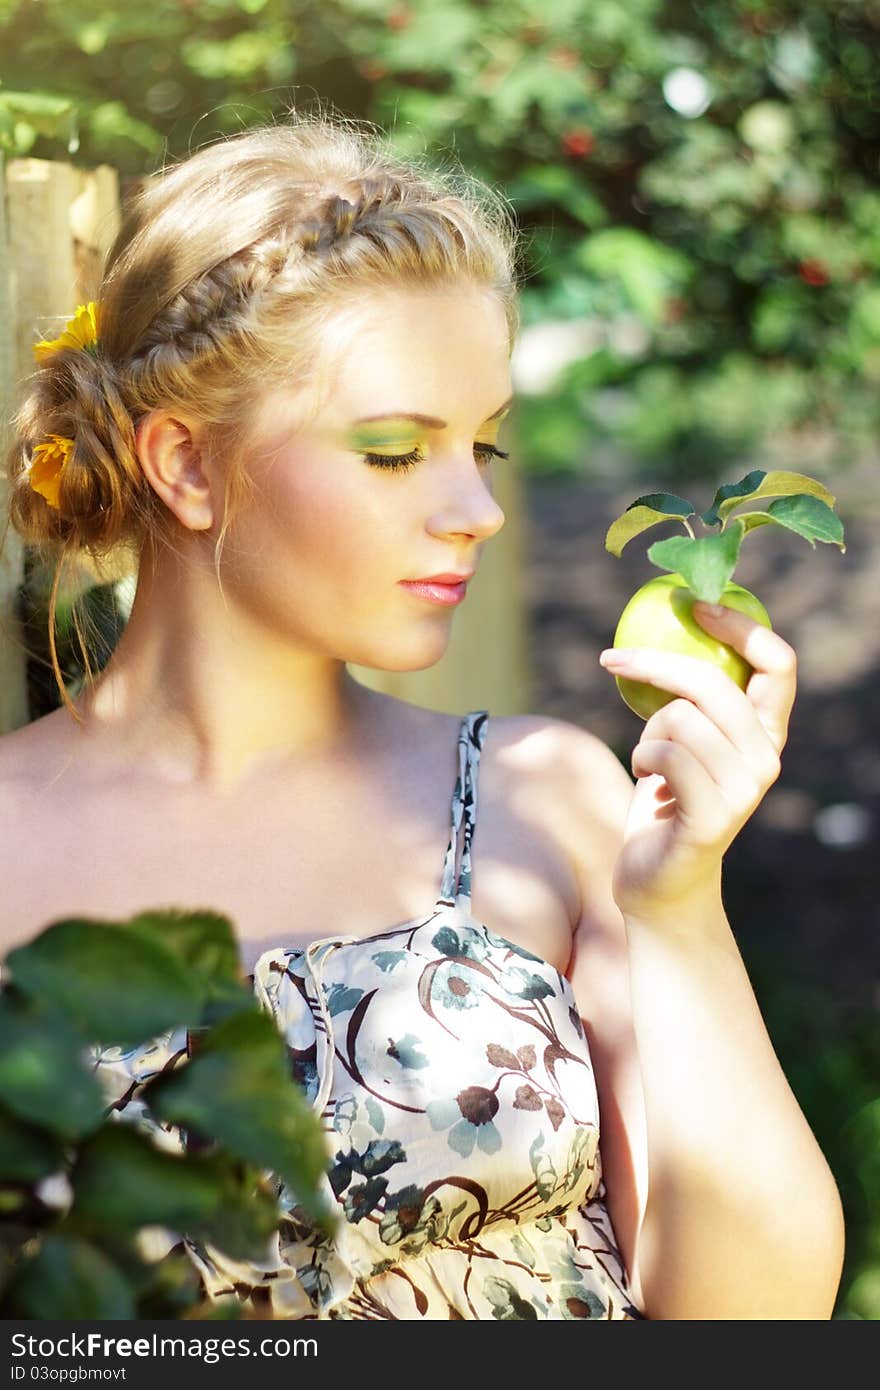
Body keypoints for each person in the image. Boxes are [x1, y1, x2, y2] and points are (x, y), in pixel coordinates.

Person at [0, 109, 845, 1321]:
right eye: (397, 451)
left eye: (484, 449)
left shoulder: (542, 795)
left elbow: (754, 1319)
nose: (476, 511)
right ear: (186, 465)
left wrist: (679, 905)